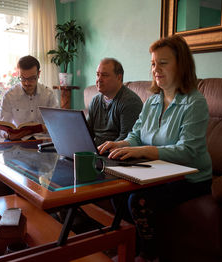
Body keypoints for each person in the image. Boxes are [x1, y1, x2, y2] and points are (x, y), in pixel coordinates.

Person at [98, 35, 212, 261]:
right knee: (115, 189)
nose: (156, 69)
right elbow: (137, 135)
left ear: (181, 65)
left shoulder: (194, 102)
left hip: (190, 178)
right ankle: (134, 247)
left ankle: (150, 256)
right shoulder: (152, 100)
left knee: (139, 201)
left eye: (163, 63)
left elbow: (188, 152)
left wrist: (145, 151)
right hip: (157, 170)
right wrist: (119, 144)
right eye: (153, 63)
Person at [0, 55, 59, 140]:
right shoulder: (9, 96)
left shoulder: (48, 95)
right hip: (19, 142)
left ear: (39, 74)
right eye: (23, 78)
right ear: (19, 75)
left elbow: (57, 124)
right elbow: (2, 128)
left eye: (31, 79)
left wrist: (45, 128)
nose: (27, 83)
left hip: (43, 141)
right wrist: (8, 135)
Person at [87, 58, 143, 146]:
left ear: (119, 77)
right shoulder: (95, 101)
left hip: (115, 153)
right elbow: (87, 132)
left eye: (104, 75)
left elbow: (126, 139)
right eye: (98, 75)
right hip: (95, 152)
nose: (99, 79)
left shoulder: (130, 102)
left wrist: (103, 150)